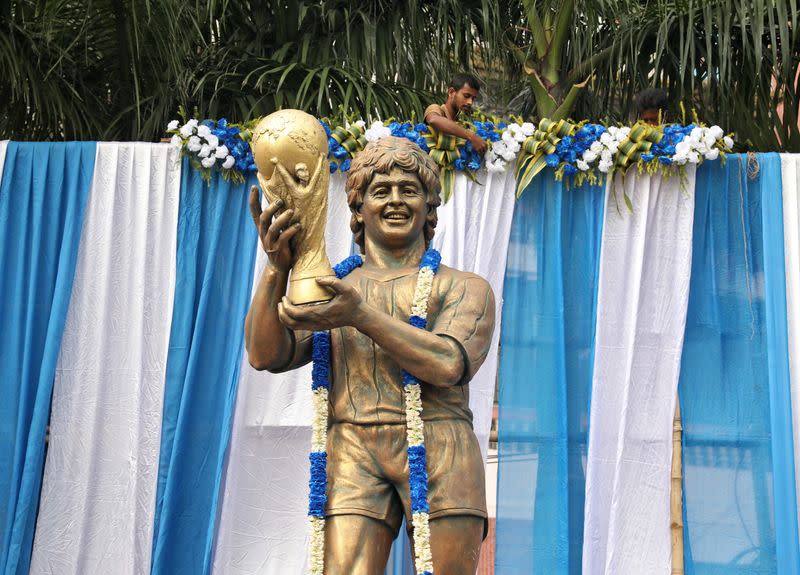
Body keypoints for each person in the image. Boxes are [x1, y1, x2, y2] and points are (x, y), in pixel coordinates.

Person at [245, 136, 495, 574]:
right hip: (353, 447)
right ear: (358, 208)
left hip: (441, 442)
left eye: (409, 190)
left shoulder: (463, 286)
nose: (395, 200)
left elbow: (448, 364)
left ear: (430, 206)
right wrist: (277, 268)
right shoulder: (330, 286)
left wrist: (359, 314)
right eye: (381, 191)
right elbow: (266, 354)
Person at [424, 73, 488, 155]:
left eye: (473, 98)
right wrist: (471, 136)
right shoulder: (436, 109)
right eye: (466, 96)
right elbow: (433, 119)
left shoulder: (463, 124)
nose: (470, 102)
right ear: (451, 92)